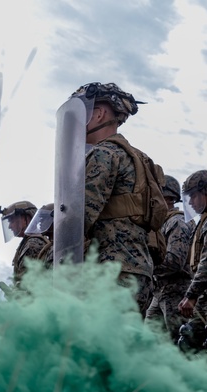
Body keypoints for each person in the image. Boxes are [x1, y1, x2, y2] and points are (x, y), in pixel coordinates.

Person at [69, 82, 162, 316]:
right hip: (137, 271)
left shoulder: (104, 154)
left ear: (99, 113)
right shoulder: (138, 157)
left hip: (112, 272)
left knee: (98, 348)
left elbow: (79, 220)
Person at [177, 169, 207, 349]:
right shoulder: (206, 220)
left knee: (204, 347)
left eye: (194, 196)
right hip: (205, 295)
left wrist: (191, 294)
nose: (190, 202)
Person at [145, 175, 194, 342]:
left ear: (167, 198)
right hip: (160, 292)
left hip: (176, 292)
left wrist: (146, 266)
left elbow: (174, 262)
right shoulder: (160, 224)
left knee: (179, 343)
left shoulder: (177, 222)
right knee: (148, 340)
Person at [0, 200, 43, 286]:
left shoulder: (33, 244)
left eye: (12, 221)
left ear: (27, 218)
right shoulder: (27, 242)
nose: (9, 226)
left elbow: (26, 286)